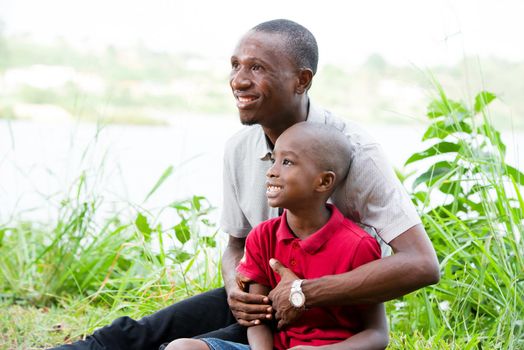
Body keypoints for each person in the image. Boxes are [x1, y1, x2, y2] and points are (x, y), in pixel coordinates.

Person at [51, 19, 439, 350]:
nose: (239, 80)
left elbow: (421, 264)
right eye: (235, 65)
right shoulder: (239, 148)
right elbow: (237, 245)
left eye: (257, 68)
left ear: (302, 80)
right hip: (263, 307)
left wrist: (305, 291)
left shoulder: (353, 150)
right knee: (140, 333)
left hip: (332, 318)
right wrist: (237, 289)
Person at [165, 122, 389, 350]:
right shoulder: (262, 236)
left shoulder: (359, 245)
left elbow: (378, 334)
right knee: (180, 348)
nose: (272, 171)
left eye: (287, 162)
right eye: (274, 160)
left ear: (323, 181)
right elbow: (258, 318)